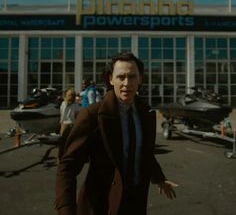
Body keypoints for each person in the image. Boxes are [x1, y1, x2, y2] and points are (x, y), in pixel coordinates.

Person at [55, 52, 178, 215]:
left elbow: (143, 152)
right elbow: (67, 167)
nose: (127, 83)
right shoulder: (92, 115)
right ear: (111, 79)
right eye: (121, 77)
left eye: (132, 76)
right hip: (102, 206)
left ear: (140, 79)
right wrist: (66, 209)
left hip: (135, 204)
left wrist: (159, 178)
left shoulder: (146, 113)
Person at [58, 87, 81, 160]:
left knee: (62, 143)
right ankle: (71, 157)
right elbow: (77, 116)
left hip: (64, 124)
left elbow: (62, 115)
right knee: (71, 142)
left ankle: (60, 158)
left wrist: (61, 124)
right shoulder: (76, 105)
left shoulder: (63, 103)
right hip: (72, 124)